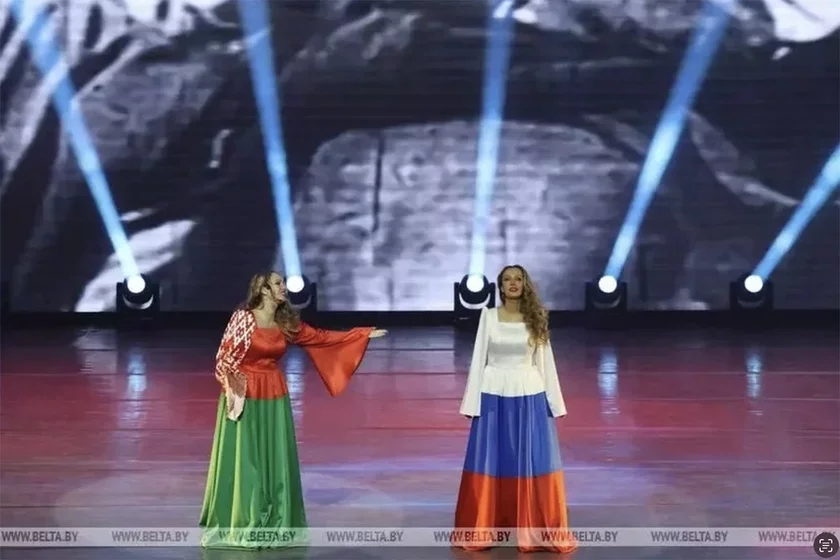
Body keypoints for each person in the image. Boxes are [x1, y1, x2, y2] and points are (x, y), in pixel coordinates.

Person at [199, 272, 387, 549]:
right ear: (263, 290)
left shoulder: (285, 322)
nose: (283, 287)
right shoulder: (243, 319)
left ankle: (276, 518)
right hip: (244, 393)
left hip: (274, 393)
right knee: (246, 459)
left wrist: (360, 334)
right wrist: (233, 389)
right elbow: (223, 359)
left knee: (273, 455)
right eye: (278, 283)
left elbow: (320, 338)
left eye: (282, 283)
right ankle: (243, 518)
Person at [454, 265, 577, 554]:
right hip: (493, 393)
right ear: (500, 286)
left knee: (532, 460)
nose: (513, 283)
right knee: (491, 460)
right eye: (507, 279)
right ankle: (486, 524)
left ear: (524, 284)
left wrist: (555, 403)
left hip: (528, 394)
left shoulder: (536, 317)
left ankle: (533, 526)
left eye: (518, 279)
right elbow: (479, 359)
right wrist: (471, 402)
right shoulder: (488, 316)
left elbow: (545, 361)